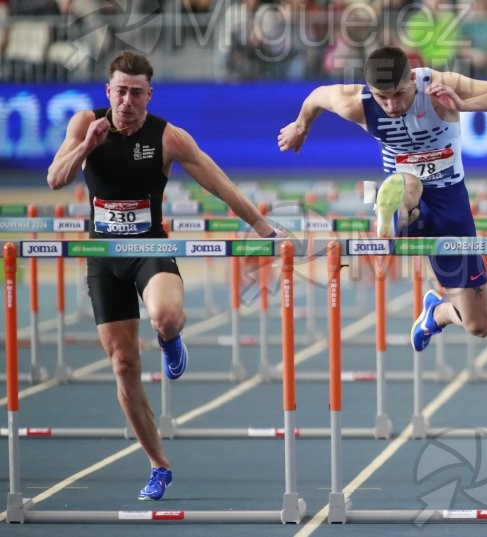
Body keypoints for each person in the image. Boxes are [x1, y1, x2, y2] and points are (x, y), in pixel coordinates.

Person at [47, 51, 278, 500]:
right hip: (103, 256)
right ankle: (158, 465)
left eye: (137, 92)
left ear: (149, 95)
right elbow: (56, 178)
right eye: (120, 91)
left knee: (167, 315)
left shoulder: (167, 137)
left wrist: (262, 227)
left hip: (150, 249)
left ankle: (171, 339)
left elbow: (217, 182)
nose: (127, 100)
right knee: (123, 364)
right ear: (108, 91)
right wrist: (85, 146)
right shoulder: (83, 124)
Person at [277, 46, 487, 352]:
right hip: (405, 198)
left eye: (398, 94)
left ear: (411, 79)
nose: (391, 105)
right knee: (408, 183)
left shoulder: (436, 84)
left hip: (451, 204)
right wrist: (301, 126)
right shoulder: (356, 103)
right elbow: (317, 96)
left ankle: (436, 313)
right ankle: (391, 212)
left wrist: (463, 104)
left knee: (479, 325)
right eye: (382, 98)